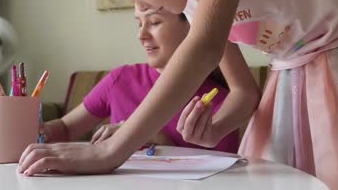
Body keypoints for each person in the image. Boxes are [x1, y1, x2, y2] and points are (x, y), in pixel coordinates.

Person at [19, 0, 338, 189]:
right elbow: (242, 92)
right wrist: (216, 128)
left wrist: (109, 151)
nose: (142, 5)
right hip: (293, 69)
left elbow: (203, 46)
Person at [41, 9, 239, 153]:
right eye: (139, 23)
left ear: (192, 26)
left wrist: (154, 137)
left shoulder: (223, 103)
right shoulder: (120, 80)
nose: (141, 35)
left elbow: (221, 175)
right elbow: (66, 129)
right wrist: (40, 131)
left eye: (154, 22)